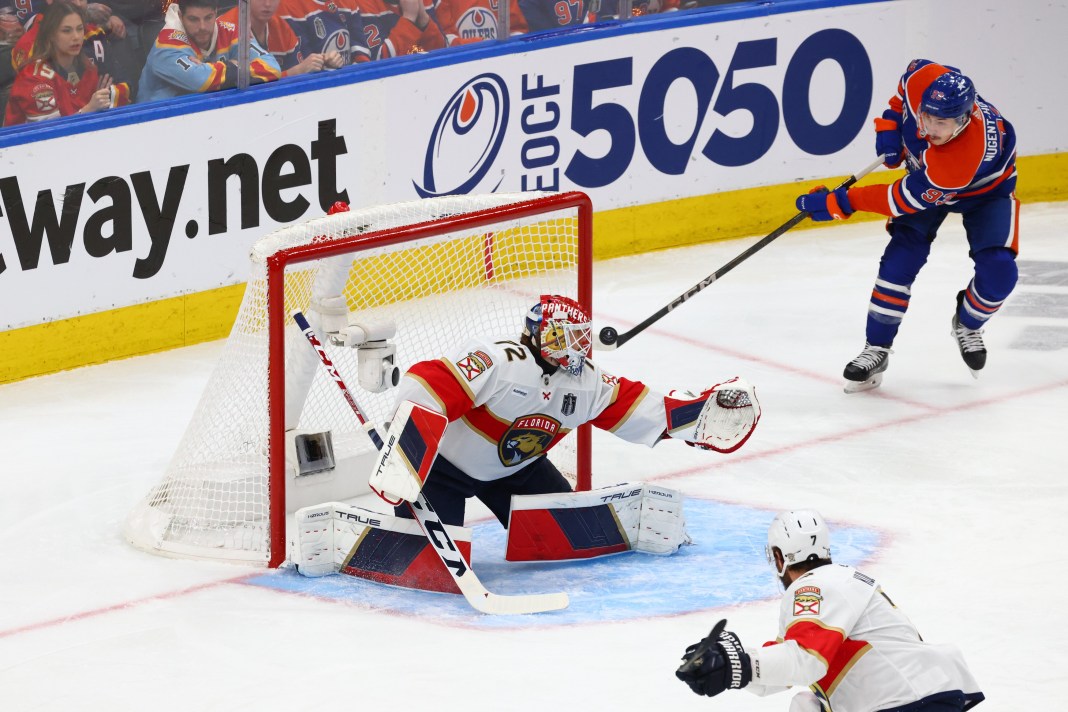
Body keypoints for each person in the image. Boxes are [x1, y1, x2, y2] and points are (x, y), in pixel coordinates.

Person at [363, 294, 761, 529]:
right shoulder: (499, 359)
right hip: (442, 474)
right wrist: (403, 455)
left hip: (517, 473)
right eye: (570, 338)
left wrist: (691, 415)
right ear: (543, 333)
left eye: (583, 339)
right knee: (425, 568)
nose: (579, 348)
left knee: (568, 535)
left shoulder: (585, 382)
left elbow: (632, 406)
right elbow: (427, 386)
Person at [795, 59, 1018, 392]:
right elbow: (901, 96)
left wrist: (838, 203)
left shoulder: (958, 161)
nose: (927, 127)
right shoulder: (924, 80)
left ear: (964, 119)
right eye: (925, 116)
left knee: (1000, 273)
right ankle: (877, 349)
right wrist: (889, 129)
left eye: (940, 122)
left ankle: (968, 323)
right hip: (926, 178)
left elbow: (896, 200)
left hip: (986, 192)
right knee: (900, 260)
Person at [675, 509, 986, 711]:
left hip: (909, 703)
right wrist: (736, 670)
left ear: (780, 558)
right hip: (917, 699)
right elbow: (792, 666)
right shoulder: (837, 584)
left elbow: (806, 660)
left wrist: (737, 662)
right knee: (806, 704)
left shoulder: (817, 586)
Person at [4, 1, 129, 124]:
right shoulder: (34, 78)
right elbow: (48, 135)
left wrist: (100, 102)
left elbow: (125, 94)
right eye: (66, 31)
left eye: (80, 29)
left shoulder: (88, 68)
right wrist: (89, 109)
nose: (76, 37)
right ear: (51, 35)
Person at [137, 0, 280, 103]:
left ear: (216, 12)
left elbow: (272, 68)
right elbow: (202, 81)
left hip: (210, 114)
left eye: (208, 18)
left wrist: (229, 68)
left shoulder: (230, 32)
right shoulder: (166, 44)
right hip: (157, 125)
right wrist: (236, 68)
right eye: (194, 19)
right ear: (180, 16)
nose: (203, 27)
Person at [219, 0, 341, 76]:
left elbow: (302, 69)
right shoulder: (225, 27)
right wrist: (296, 71)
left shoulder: (281, 27)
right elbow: (239, 88)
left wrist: (323, 63)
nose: (267, 4)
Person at [277, 0, 368, 65]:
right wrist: (324, 61)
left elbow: (359, 44)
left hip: (349, 77)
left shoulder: (347, 2)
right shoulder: (289, 6)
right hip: (314, 84)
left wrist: (357, 72)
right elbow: (302, 61)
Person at [356, 0, 446, 60]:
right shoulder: (362, 4)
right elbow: (378, 65)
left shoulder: (424, 2)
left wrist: (424, 20)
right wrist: (408, 18)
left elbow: (442, 56)